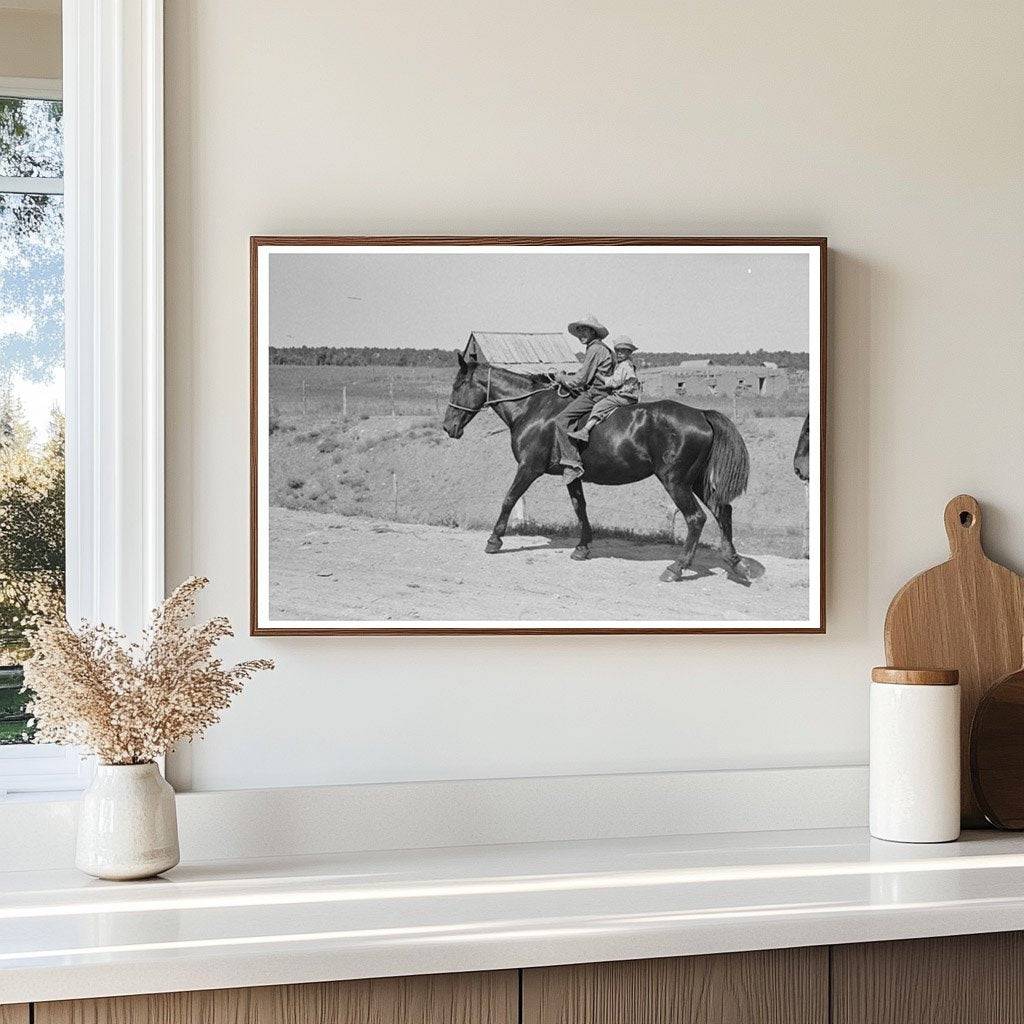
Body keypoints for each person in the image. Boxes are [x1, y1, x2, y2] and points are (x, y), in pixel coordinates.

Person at [553, 315, 615, 484]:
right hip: (602, 391)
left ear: (594, 331)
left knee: (561, 419)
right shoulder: (601, 348)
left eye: (585, 330)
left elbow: (581, 379)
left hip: (596, 394)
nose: (581, 334)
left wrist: (562, 379)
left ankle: (572, 463)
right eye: (579, 331)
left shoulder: (595, 349)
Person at [567, 337, 640, 442]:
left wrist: (599, 376)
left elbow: (614, 383)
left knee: (599, 406)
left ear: (629, 352)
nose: (619, 353)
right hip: (631, 396)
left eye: (623, 351)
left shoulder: (623, 366)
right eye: (618, 351)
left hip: (623, 396)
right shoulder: (629, 364)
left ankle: (585, 431)